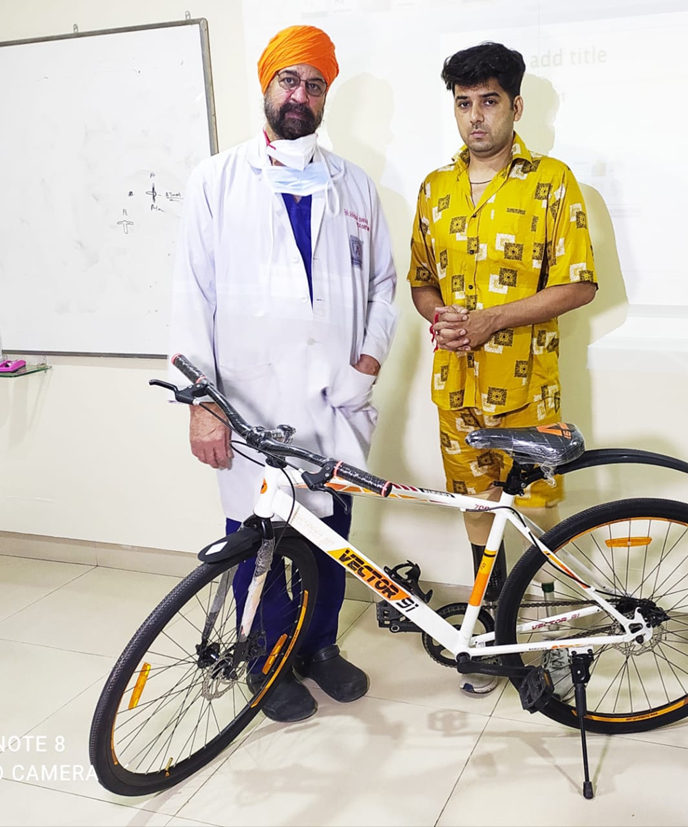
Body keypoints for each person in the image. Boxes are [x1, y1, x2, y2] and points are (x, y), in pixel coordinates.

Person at [170, 25, 397, 722]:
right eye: (288, 81)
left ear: (327, 95)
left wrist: (365, 364)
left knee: (334, 535)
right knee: (259, 538)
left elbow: (384, 285)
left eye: (315, 84)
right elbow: (191, 294)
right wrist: (201, 405)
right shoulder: (215, 181)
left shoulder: (355, 186)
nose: (300, 96)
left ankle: (320, 646)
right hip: (248, 404)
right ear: (266, 87)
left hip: (336, 402)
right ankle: (268, 660)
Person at [408, 42, 597, 695]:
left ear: (516, 105)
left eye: (489, 101)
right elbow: (421, 282)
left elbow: (578, 285)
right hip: (454, 385)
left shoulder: (552, 181)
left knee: (521, 509)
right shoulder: (435, 188)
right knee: (474, 505)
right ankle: (489, 635)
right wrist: (442, 316)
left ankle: (530, 631)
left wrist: (493, 318)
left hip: (522, 382)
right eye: (463, 104)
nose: (476, 118)